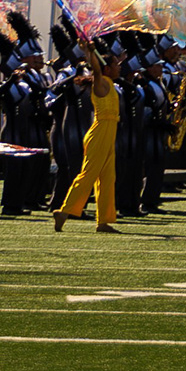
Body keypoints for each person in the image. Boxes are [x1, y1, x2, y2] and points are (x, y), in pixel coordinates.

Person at [50, 44, 123, 231]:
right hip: (99, 133)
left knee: (107, 178)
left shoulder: (110, 83)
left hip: (108, 133)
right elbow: (97, 70)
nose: (119, 67)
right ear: (107, 68)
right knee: (88, 174)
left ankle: (103, 221)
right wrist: (89, 52)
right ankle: (64, 211)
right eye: (116, 64)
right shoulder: (102, 81)